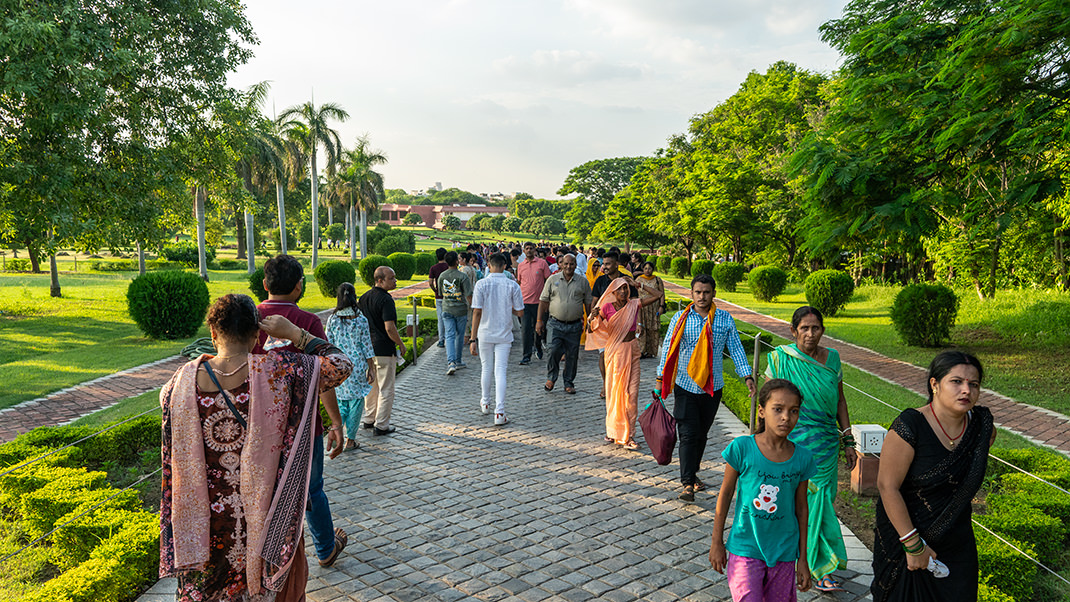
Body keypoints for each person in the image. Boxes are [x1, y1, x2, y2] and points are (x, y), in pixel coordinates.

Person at [160, 294, 353, 601]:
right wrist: (295, 334)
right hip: (267, 519)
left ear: (212, 334)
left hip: (205, 524)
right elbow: (340, 364)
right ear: (256, 335)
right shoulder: (279, 372)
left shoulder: (178, 384)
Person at [872, 351, 994, 602]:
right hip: (905, 541)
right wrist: (913, 544)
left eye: (974, 384)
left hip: (957, 543)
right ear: (935, 384)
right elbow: (887, 486)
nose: (966, 391)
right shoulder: (910, 426)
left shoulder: (982, 428)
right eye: (956, 381)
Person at [251, 254, 348, 568]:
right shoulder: (307, 322)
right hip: (305, 424)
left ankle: (271, 555)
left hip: (258, 423)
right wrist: (335, 422)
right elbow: (327, 375)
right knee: (312, 488)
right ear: (298, 286)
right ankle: (324, 548)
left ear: (265, 284)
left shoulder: (247, 317)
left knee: (265, 490)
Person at [764, 306, 858, 591]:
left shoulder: (833, 359)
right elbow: (768, 404)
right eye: (804, 328)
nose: (810, 333)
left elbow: (840, 401)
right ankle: (816, 566)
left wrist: (848, 440)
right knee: (802, 502)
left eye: (815, 328)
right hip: (794, 442)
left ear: (822, 331)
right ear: (793, 331)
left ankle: (816, 559)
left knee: (823, 502)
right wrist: (762, 444)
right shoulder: (781, 359)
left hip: (827, 443)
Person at [709, 379, 816, 601]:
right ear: (761, 411)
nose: (786, 417)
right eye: (778, 409)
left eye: (793, 411)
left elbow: (801, 509)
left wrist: (803, 559)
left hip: (785, 553)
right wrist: (716, 542)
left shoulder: (803, 459)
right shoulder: (742, 449)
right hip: (745, 548)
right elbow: (726, 495)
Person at [657, 274, 756, 501]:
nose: (702, 296)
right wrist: (660, 377)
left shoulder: (723, 319)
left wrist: (746, 375)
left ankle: (693, 472)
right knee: (688, 434)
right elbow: (669, 346)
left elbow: (736, 348)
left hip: (712, 388)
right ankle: (687, 483)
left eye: (706, 292)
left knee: (701, 434)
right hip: (685, 384)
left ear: (714, 294)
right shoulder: (680, 319)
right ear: (691, 294)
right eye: (698, 292)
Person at [585, 278, 644, 450]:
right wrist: (592, 318)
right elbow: (591, 329)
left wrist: (638, 285)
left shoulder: (634, 304)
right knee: (616, 392)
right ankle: (615, 432)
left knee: (632, 395)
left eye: (626, 289)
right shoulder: (606, 308)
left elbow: (658, 295)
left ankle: (629, 433)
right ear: (613, 292)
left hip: (632, 350)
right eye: (620, 289)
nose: (624, 292)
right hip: (615, 352)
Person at [470, 253, 525, 426]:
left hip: (485, 332)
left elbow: (477, 312)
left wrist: (472, 339)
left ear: (489, 264)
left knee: (486, 368)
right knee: (500, 370)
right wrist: (507, 308)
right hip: (504, 332)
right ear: (504, 266)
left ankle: (485, 403)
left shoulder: (481, 284)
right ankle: (499, 412)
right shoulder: (512, 285)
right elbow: (520, 312)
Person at [325, 283, 376, 451]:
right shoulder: (360, 319)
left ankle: (336, 432)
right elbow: (367, 344)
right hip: (357, 366)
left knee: (341, 402)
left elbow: (327, 343)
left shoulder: (333, 319)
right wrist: (372, 367)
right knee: (356, 402)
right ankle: (350, 440)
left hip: (338, 366)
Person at [359, 266, 407, 436]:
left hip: (368, 350)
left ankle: (369, 419)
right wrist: (400, 343)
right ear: (380, 280)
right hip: (384, 349)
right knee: (387, 388)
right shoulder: (386, 300)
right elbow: (390, 327)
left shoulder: (363, 298)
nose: (395, 281)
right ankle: (382, 425)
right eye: (391, 278)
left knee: (371, 386)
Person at [536, 254, 592, 395]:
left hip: (574, 325)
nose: (568, 267)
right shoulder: (552, 280)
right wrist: (539, 321)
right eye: (565, 264)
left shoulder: (582, 282)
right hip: (555, 323)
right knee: (553, 350)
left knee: (572, 355)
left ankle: (568, 382)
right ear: (561, 264)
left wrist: (591, 322)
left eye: (572, 264)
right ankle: (551, 377)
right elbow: (543, 301)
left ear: (576, 265)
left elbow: (588, 303)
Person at [438, 251, 474, 375]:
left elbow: (441, 292)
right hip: (461, 309)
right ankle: (458, 361)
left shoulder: (442, 276)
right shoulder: (462, 276)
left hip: (447, 308)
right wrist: (473, 307)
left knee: (449, 336)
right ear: (457, 261)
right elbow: (468, 294)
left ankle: (451, 362)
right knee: (459, 335)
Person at [516, 241, 550, 365]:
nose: (529, 250)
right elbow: (519, 282)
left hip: (539, 302)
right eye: (527, 248)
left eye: (531, 248)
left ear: (535, 250)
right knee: (525, 329)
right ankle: (526, 355)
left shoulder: (542, 263)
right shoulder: (521, 265)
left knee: (540, 328)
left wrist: (547, 300)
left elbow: (548, 281)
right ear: (524, 251)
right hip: (525, 302)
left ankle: (538, 346)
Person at [635, 261, 665, 359]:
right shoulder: (639, 279)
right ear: (643, 269)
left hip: (654, 308)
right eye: (645, 268)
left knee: (653, 329)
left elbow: (662, 294)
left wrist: (661, 306)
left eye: (650, 268)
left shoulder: (657, 280)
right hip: (642, 308)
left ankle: (651, 351)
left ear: (653, 269)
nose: (648, 270)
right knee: (642, 329)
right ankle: (641, 351)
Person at [428, 248, 449, 348]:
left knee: (440, 319)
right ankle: (450, 338)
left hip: (439, 295)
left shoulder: (433, 268)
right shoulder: (449, 266)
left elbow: (430, 282)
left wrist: (435, 290)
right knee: (450, 317)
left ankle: (441, 340)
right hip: (449, 295)